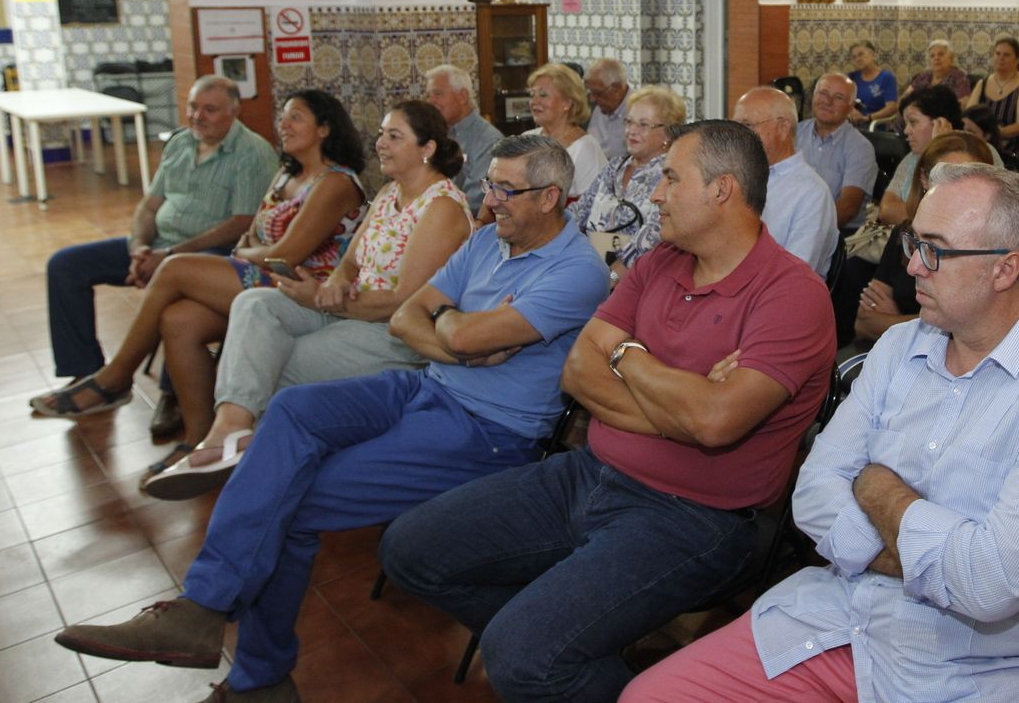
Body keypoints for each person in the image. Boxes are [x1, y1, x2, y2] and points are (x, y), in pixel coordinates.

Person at [52, 135, 611, 702]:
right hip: (425, 386)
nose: (490, 200)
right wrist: (456, 332)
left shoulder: (576, 271)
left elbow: (454, 326)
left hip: (486, 430)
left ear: (551, 198)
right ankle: (205, 611)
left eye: (506, 190)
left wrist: (452, 324)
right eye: (490, 184)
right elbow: (407, 318)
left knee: (292, 500)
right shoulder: (489, 240)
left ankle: (247, 663)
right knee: (293, 409)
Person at [620, 163, 1019, 703]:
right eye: (913, 241)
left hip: (971, 670)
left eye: (934, 249)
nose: (911, 266)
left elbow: (990, 586)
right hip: (840, 618)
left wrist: (878, 488)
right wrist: (938, 555)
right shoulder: (901, 345)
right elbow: (812, 498)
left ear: (1005, 269)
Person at [377, 120, 837, 703]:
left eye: (671, 177)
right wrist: (681, 394)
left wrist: (623, 355)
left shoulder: (790, 293)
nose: (655, 192)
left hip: (693, 518)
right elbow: (578, 369)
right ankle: (562, 648)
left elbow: (716, 424)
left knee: (521, 656)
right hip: (591, 474)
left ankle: (553, 654)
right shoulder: (660, 263)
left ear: (722, 190)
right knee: (411, 550)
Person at [140, 100, 475, 499]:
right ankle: (229, 428)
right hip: (347, 310)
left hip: (394, 334)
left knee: (279, 360)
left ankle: (256, 472)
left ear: (428, 148)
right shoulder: (389, 193)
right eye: (382, 133)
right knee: (254, 304)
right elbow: (350, 262)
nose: (380, 143)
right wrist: (335, 281)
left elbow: (405, 301)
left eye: (394, 136)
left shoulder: (441, 207)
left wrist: (323, 300)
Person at [28, 91, 368, 476]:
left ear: (324, 129)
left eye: (296, 118)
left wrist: (247, 253)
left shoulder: (336, 182)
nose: (283, 125)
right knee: (179, 319)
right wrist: (250, 250)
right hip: (263, 274)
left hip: (302, 290)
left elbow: (285, 255)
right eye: (283, 117)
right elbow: (254, 235)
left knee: (174, 268)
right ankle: (198, 440)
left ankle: (114, 378)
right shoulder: (287, 173)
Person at [41, 75, 279, 440]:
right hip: (158, 246)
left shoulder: (253, 152)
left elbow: (240, 224)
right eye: (193, 108)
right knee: (65, 265)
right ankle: (86, 371)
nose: (198, 117)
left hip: (208, 252)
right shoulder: (181, 143)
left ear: (234, 111)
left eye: (210, 110)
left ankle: (173, 393)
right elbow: (150, 204)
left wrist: (168, 255)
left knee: (181, 292)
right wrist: (140, 246)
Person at [854, 131, 991, 346]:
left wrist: (893, 321)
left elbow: (972, 327)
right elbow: (864, 324)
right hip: (891, 355)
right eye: (945, 177)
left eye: (968, 178)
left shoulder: (989, 247)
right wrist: (919, 323)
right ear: (924, 179)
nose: (958, 190)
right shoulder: (905, 234)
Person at [572, 84, 685, 279]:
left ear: (668, 133)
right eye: (629, 122)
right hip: (589, 268)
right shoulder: (614, 167)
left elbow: (652, 239)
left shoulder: (671, 176)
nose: (631, 131)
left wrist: (609, 279)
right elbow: (579, 213)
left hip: (641, 279)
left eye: (643, 125)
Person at [733, 86, 837, 277]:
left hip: (772, 298)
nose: (736, 136)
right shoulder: (736, 177)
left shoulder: (812, 193)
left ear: (782, 128)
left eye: (746, 126)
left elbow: (793, 275)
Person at [796, 73, 877, 230]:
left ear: (850, 106)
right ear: (813, 97)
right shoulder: (794, 134)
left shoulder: (861, 148)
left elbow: (848, 208)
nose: (828, 101)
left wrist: (808, 233)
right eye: (823, 93)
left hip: (836, 233)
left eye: (838, 97)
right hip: (793, 224)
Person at [877, 84, 964, 227]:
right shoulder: (912, 158)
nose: (906, 131)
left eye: (913, 122)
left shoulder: (976, 154)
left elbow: (954, 217)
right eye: (906, 123)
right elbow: (886, 210)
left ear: (940, 122)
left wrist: (941, 148)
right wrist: (931, 217)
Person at [425, 63, 501, 212]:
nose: (430, 101)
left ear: (462, 96)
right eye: (429, 95)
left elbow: (477, 200)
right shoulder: (436, 135)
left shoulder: (487, 140)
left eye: (438, 94)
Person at [525, 62, 607, 197]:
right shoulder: (526, 139)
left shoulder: (585, 149)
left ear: (567, 103)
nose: (534, 101)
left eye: (543, 95)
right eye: (532, 94)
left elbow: (593, 207)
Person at [964, 36, 1019, 170]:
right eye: (997, 54)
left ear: (1017, 59)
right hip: (981, 142)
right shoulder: (983, 83)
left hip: (1011, 146)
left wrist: (996, 133)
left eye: (1006, 55)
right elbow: (968, 117)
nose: (1000, 58)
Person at [584, 58, 632, 161]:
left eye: (597, 93)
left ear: (617, 88)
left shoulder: (638, 111)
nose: (592, 99)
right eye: (590, 92)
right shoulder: (597, 108)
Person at [902, 38, 971, 101]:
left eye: (941, 54)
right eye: (932, 56)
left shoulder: (959, 77)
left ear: (951, 58)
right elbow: (905, 98)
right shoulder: (924, 76)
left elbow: (963, 104)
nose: (936, 58)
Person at [847, 40, 898, 125]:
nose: (858, 59)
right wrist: (851, 111)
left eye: (861, 54)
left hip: (875, 126)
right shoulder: (850, 78)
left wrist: (868, 118)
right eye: (854, 57)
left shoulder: (886, 78)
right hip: (852, 126)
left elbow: (892, 108)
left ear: (872, 54)